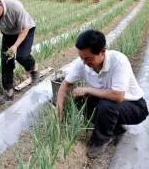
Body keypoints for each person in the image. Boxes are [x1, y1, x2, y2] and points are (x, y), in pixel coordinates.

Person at [56, 29, 148, 158]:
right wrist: (59, 115)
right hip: (110, 104)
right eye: (81, 58)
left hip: (134, 107)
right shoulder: (83, 63)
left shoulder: (119, 61)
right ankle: (115, 129)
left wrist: (88, 89)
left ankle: (100, 141)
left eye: (88, 58)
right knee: (79, 99)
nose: (84, 62)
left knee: (106, 104)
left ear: (102, 52)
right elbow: (65, 86)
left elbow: (118, 96)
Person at [0, 0, 38, 105]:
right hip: (8, 34)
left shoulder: (15, 7)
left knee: (22, 56)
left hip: (25, 30)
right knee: (6, 60)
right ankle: (8, 91)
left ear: (0, 5)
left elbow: (24, 29)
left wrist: (15, 46)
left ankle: (33, 68)